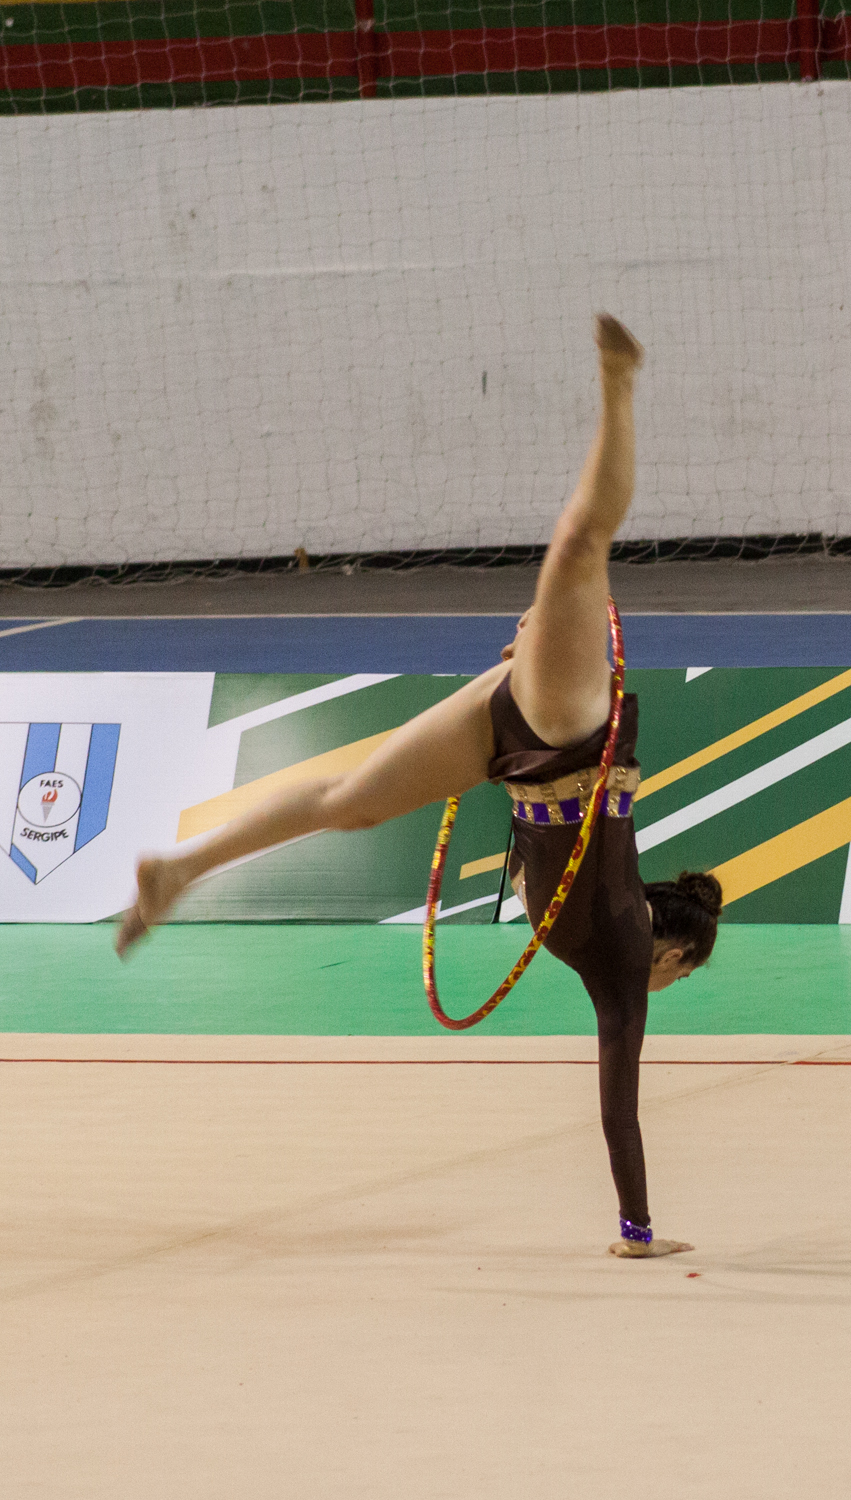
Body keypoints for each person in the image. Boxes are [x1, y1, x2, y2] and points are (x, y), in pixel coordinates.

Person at [117, 314, 723, 1258]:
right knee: (577, 546)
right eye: (683, 977)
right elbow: (621, 1110)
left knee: (347, 803)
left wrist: (520, 670)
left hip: (514, 742)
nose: (666, 992)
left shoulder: (596, 931)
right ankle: (618, 380)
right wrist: (637, 1228)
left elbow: (542, 865)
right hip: (564, 730)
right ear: (676, 960)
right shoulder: (623, 967)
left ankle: (181, 870)